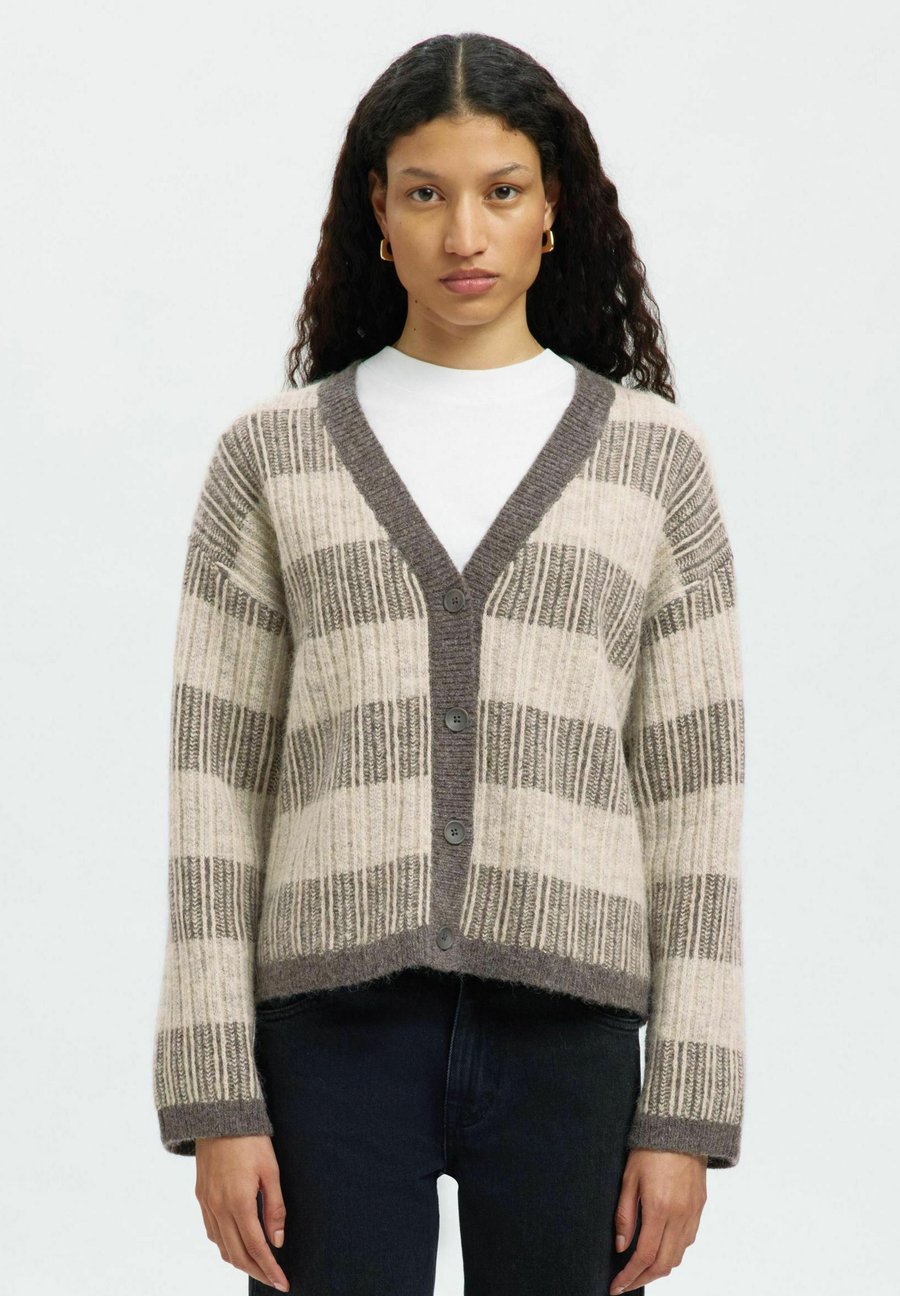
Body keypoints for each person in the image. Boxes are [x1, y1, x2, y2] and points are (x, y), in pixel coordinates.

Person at [152, 30, 746, 1296]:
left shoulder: (655, 462)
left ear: (552, 209)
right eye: (425, 192)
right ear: (376, 211)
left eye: (501, 190)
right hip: (328, 1040)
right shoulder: (271, 458)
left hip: (571, 1040)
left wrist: (687, 1109)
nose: (463, 233)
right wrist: (214, 1093)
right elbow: (214, 787)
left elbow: (696, 804)